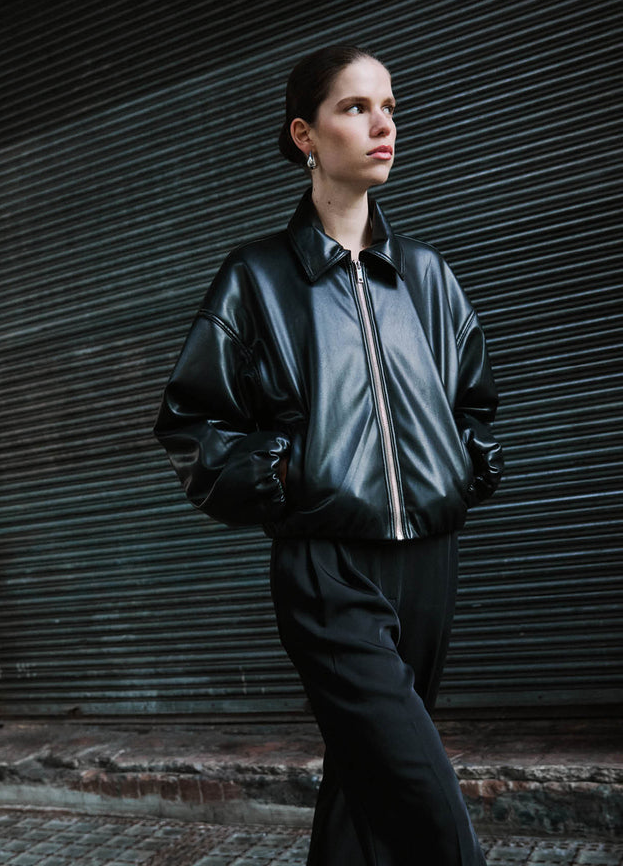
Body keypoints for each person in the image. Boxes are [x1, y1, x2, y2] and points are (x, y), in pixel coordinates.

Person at [154, 44, 504, 866]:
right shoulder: (257, 278)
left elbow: (474, 402)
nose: (384, 125)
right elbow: (192, 423)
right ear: (305, 135)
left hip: (428, 560)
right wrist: (284, 477)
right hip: (326, 567)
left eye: (390, 107)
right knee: (423, 795)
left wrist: (463, 466)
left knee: (366, 784)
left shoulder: (426, 276)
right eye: (355, 107)